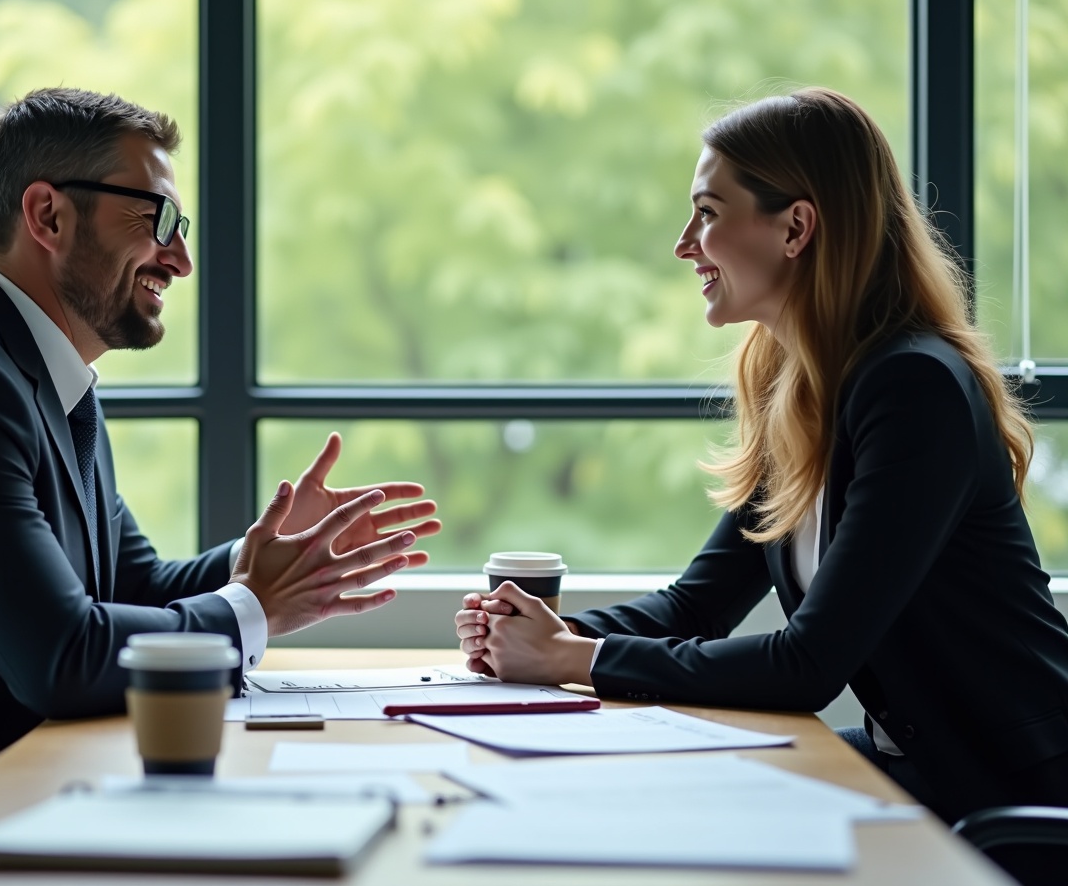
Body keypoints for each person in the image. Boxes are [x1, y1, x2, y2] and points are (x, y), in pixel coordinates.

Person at [0, 87, 440, 816]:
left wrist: (261, 555)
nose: (183, 259)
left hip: (9, 793)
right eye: (157, 217)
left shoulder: (44, 380)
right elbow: (63, 659)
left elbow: (132, 589)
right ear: (48, 215)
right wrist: (255, 605)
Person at [455, 87, 1068, 825]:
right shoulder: (804, 385)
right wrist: (539, 633)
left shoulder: (914, 388)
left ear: (796, 228)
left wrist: (565, 660)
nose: (685, 243)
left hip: (1013, 797)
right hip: (923, 773)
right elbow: (697, 606)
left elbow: (807, 665)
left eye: (708, 214)